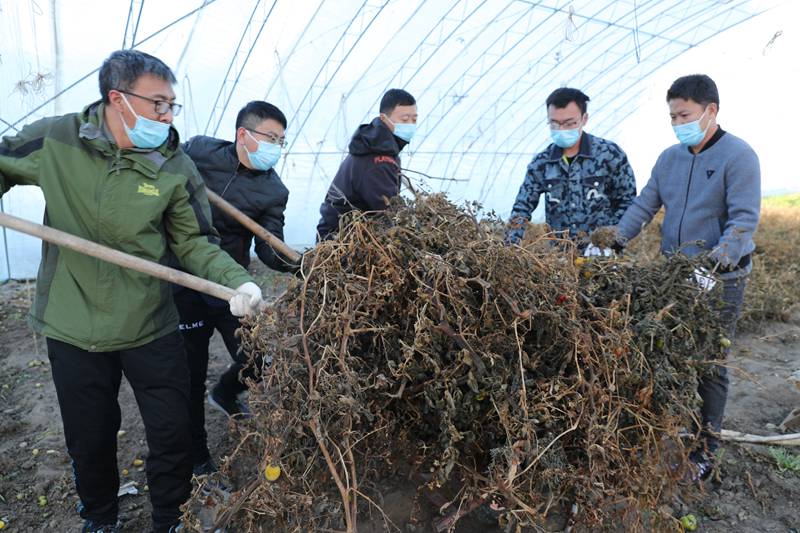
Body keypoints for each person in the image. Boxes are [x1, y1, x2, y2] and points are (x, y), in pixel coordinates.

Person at [0, 50, 265, 533]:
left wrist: (235, 281)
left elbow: (194, 242)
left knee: (172, 431)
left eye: (171, 106)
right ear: (117, 99)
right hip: (72, 322)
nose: (167, 116)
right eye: (158, 104)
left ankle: (171, 518)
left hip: (148, 322)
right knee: (90, 436)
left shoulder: (172, 164)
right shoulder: (58, 140)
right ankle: (99, 519)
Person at [612, 74, 760, 480]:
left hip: (720, 279)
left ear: (711, 111)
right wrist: (614, 241)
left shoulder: (738, 156)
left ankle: (705, 450)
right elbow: (645, 204)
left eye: (685, 115)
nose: (678, 123)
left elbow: (744, 221)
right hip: (673, 275)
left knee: (710, 361)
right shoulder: (669, 159)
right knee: (668, 352)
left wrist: (715, 264)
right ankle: (669, 431)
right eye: (673, 116)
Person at [177, 101, 297, 475]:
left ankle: (226, 392)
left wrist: (302, 265)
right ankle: (197, 458)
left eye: (281, 140)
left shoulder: (273, 190)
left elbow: (269, 246)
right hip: (184, 282)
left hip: (232, 287)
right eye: (270, 137)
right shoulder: (198, 151)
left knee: (257, 360)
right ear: (243, 134)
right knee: (188, 376)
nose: (276, 146)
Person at [506, 88, 636, 248]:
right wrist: (510, 246)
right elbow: (522, 208)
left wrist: (612, 241)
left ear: (584, 119)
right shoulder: (542, 163)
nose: (561, 129)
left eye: (569, 123)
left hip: (603, 257)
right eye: (555, 123)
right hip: (560, 261)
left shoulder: (609, 155)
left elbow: (628, 202)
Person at [316, 88, 417, 240]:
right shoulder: (378, 158)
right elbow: (388, 212)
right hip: (340, 241)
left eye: (414, 120)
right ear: (383, 118)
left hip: (345, 235)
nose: (410, 125)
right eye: (404, 120)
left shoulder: (379, 147)